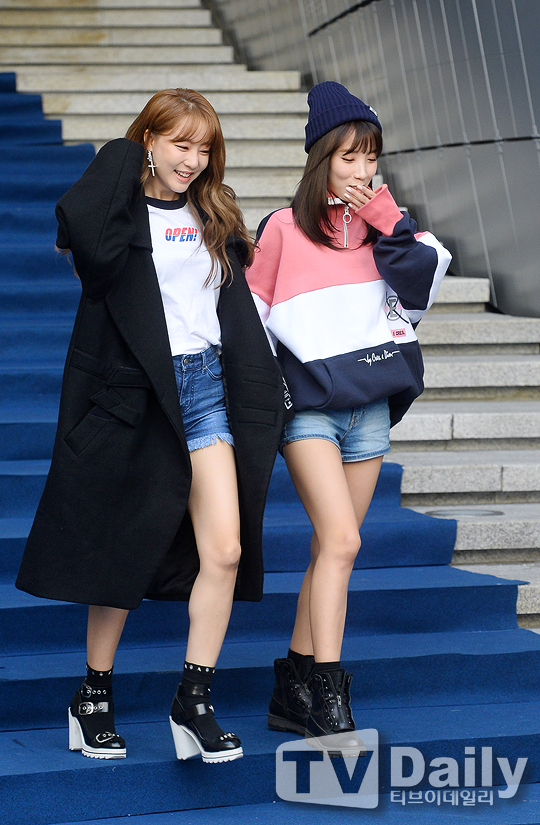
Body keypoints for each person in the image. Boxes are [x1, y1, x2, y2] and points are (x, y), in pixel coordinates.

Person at [16, 88, 289, 764]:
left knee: (225, 550)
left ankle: (193, 702)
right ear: (149, 140)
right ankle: (93, 697)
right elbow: (83, 232)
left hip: (203, 392)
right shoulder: (117, 215)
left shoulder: (213, 213)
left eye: (203, 148)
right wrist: (124, 153)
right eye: (179, 144)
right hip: (138, 395)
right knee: (120, 546)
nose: (192, 160)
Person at [246, 81, 452, 748]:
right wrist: (268, 397)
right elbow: (251, 320)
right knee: (341, 542)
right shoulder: (282, 228)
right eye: (348, 156)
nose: (363, 170)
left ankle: (292, 686)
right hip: (309, 407)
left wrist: (391, 225)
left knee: (328, 547)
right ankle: (328, 694)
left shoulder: (390, 226)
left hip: (370, 407)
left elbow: (420, 293)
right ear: (321, 159)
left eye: (371, 156)